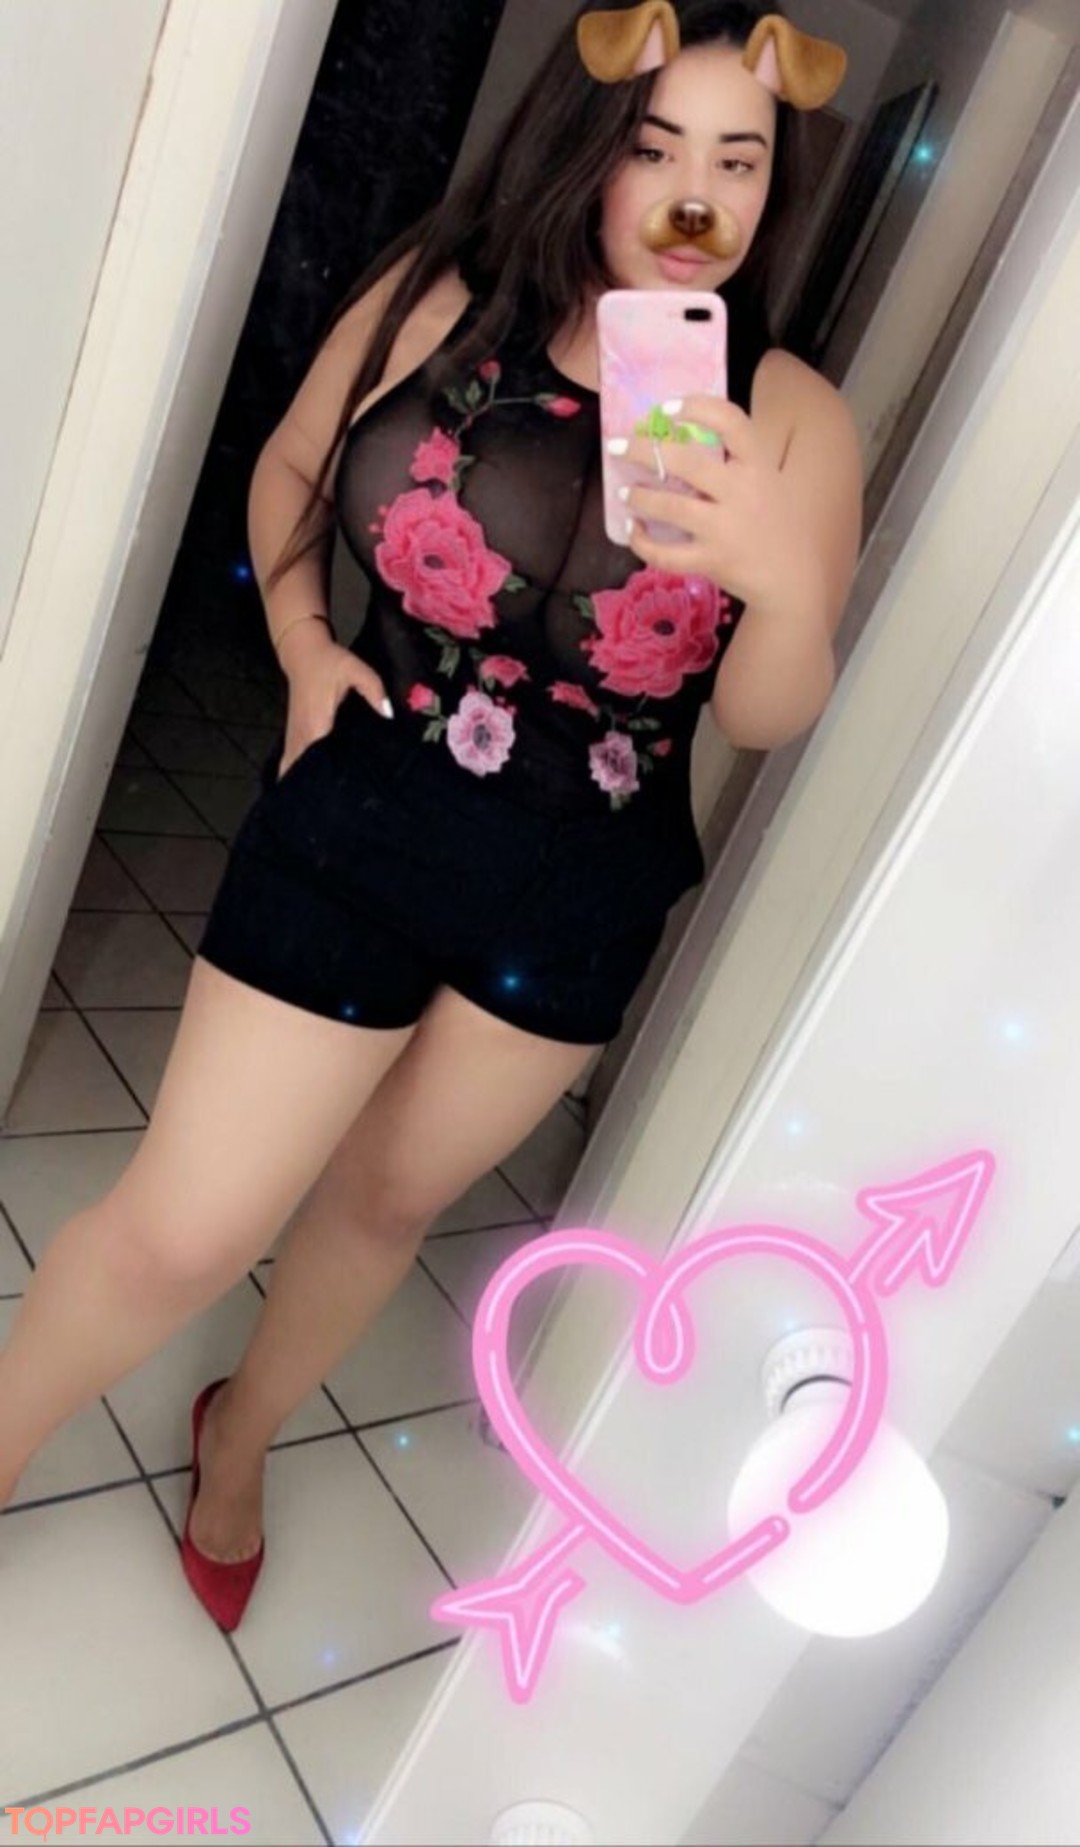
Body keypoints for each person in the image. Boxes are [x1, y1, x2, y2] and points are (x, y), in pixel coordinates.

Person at [0, 0, 861, 1630]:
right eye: (657, 146)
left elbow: (761, 714)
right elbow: (289, 471)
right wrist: (301, 645)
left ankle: (240, 1437)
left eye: (740, 160)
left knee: (385, 1201)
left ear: (774, 185)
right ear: (592, 150)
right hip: (365, 815)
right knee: (184, 1229)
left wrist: (779, 582)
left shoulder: (795, 415)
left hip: (578, 889)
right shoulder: (436, 298)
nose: (697, 196)